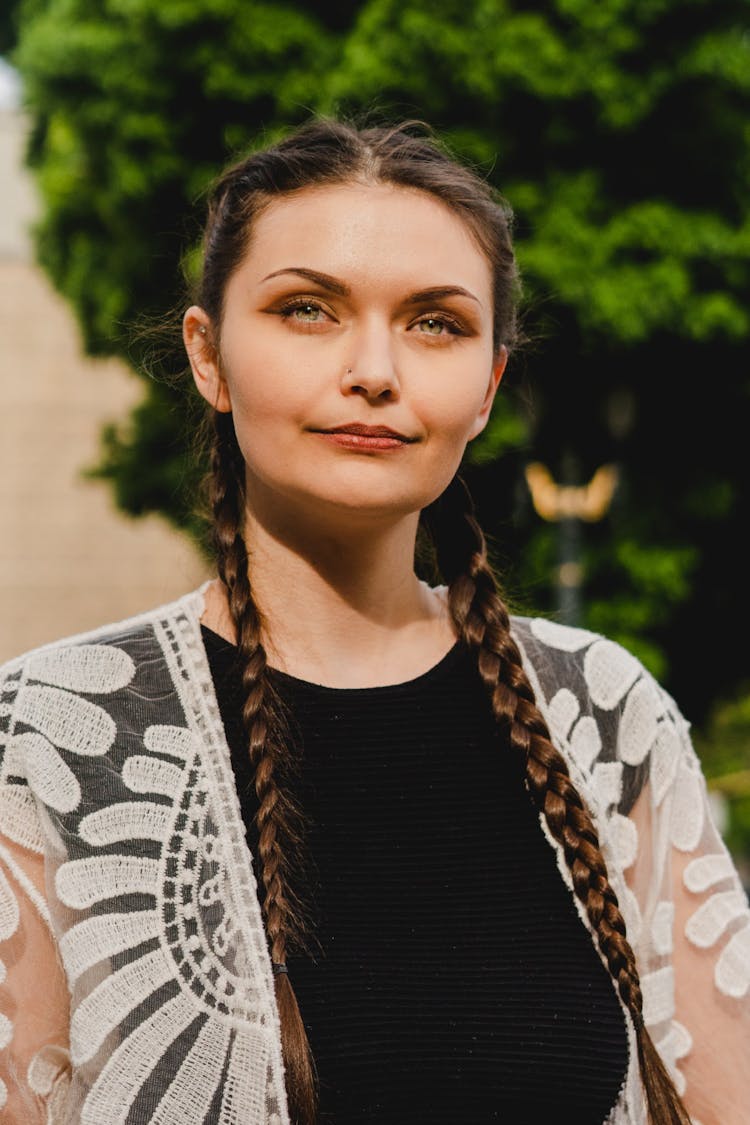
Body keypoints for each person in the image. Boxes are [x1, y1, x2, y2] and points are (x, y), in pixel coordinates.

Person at [0, 118, 747, 1125]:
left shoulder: (601, 715)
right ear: (209, 355)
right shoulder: (52, 731)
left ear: (487, 386)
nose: (375, 369)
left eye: (435, 322)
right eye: (308, 310)